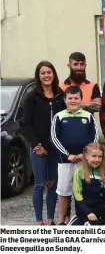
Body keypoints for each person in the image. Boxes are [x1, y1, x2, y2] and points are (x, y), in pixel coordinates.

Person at [22, 61, 66, 226]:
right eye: (43, 73)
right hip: (38, 148)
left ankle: (50, 219)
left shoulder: (60, 95)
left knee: (53, 184)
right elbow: (26, 123)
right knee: (40, 184)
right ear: (38, 76)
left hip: (56, 148)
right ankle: (39, 221)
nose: (46, 75)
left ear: (53, 74)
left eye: (49, 72)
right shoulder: (31, 97)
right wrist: (37, 145)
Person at [51, 85, 99, 225]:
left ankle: (85, 219)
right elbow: (54, 138)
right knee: (64, 191)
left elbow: (95, 138)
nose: (73, 101)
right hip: (65, 161)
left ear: (81, 99)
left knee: (86, 190)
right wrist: (67, 155)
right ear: (65, 100)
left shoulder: (88, 116)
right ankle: (61, 222)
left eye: (76, 98)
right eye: (70, 98)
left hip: (85, 161)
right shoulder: (59, 117)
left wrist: (85, 155)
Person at [72, 142, 105, 225]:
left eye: (100, 156)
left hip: (98, 206)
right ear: (86, 156)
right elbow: (77, 195)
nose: (97, 159)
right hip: (85, 209)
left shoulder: (102, 171)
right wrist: (88, 212)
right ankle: (77, 222)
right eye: (94, 156)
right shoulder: (79, 172)